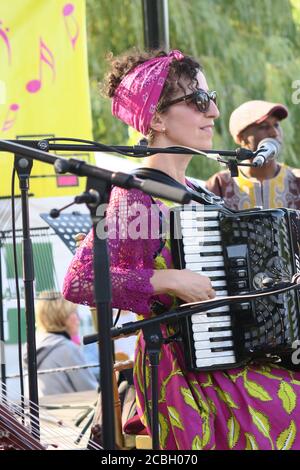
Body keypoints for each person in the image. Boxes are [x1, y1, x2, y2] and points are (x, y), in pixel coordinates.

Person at [63, 50, 300, 450]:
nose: (214, 112)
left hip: (222, 360)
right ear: (156, 118)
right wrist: (169, 279)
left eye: (212, 98)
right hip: (183, 374)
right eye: (198, 100)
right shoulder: (132, 195)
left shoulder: (196, 193)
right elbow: (81, 280)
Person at [206, 100, 300, 210]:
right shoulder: (220, 184)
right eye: (263, 127)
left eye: (276, 125)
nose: (275, 133)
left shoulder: (297, 179)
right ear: (241, 138)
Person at [27, 291, 98, 396]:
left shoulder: (34, 346)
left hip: (41, 411)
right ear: (62, 316)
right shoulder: (66, 349)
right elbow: (92, 391)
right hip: (71, 410)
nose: (79, 318)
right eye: (75, 313)